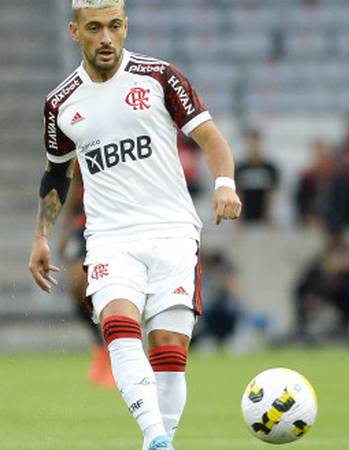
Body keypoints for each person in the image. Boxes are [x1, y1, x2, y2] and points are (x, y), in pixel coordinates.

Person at [27, 2, 242, 450]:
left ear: (125, 27)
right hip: (109, 239)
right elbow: (55, 174)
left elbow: (211, 138)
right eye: (94, 28)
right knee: (120, 326)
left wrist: (225, 184)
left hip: (173, 233)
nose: (106, 37)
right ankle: (155, 438)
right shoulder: (61, 103)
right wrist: (42, 236)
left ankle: (159, 441)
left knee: (167, 348)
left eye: (114, 26)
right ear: (74, 32)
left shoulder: (160, 77)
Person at [57, 161, 115, 389]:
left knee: (109, 291)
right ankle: (100, 349)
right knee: (77, 285)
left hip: (111, 226)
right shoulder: (83, 152)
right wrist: (65, 230)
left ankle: (111, 356)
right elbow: (73, 188)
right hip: (83, 227)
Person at [293, 229, 349, 342]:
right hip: (324, 291)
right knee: (300, 290)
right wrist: (312, 295)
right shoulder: (324, 254)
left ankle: (345, 327)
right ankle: (301, 327)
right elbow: (312, 274)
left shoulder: (348, 253)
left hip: (341, 292)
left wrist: (338, 266)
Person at [295, 139, 349, 232]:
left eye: (323, 156)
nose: (320, 160)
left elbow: (343, 206)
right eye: (317, 156)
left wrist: (329, 222)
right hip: (311, 224)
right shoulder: (307, 178)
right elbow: (301, 202)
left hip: (334, 225)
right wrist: (308, 217)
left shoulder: (339, 180)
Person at [234, 128, 280, 224]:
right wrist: (238, 220)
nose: (254, 147)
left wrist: (268, 218)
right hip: (245, 219)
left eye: (256, 143)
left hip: (264, 219)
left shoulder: (270, 168)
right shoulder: (240, 168)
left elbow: (271, 195)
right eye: (251, 143)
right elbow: (238, 194)